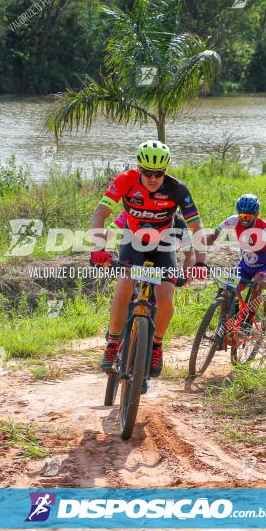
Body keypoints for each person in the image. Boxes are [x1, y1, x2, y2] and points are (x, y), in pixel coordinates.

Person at [89, 141, 208, 383]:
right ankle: (113, 342)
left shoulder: (177, 189)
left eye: (159, 174)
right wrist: (98, 248)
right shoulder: (125, 180)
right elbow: (100, 214)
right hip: (133, 240)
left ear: (166, 171)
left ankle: (156, 345)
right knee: (125, 282)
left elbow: (196, 227)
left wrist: (200, 263)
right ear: (138, 168)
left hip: (164, 245)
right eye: (147, 173)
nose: (153, 178)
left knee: (165, 296)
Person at [204, 194, 266, 326]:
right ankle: (223, 327)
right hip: (245, 265)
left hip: (262, 267)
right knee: (228, 291)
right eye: (241, 215)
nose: (244, 219)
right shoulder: (233, 220)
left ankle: (248, 323)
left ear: (257, 214)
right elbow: (212, 236)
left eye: (248, 216)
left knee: (257, 288)